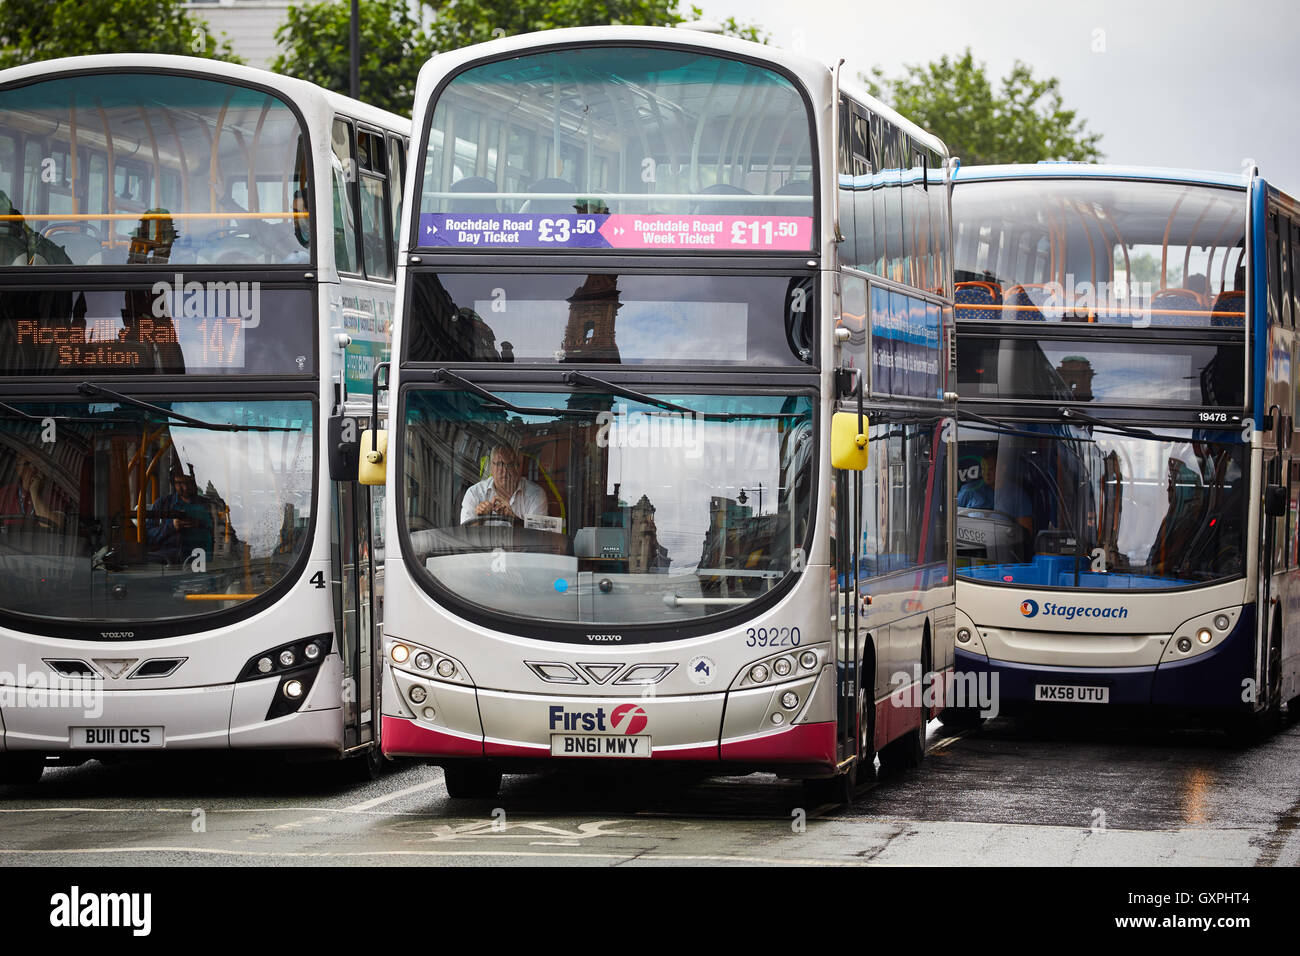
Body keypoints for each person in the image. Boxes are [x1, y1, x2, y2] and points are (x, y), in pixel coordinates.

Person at [460, 444, 547, 524]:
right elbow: (465, 534)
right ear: (491, 467)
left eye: (510, 465)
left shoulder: (535, 494)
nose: (504, 470)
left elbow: (539, 535)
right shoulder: (474, 493)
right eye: (499, 464)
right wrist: (481, 520)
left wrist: (514, 519)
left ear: (517, 467)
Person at [147, 471, 214, 564]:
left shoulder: (208, 505)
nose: (185, 487)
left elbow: (221, 533)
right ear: (173, 483)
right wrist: (172, 526)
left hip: (203, 558)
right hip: (168, 560)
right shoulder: (163, 504)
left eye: (189, 482)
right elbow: (148, 536)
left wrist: (200, 524)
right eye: (180, 483)